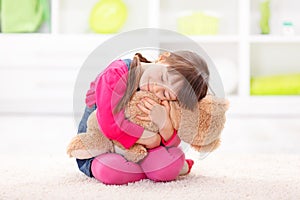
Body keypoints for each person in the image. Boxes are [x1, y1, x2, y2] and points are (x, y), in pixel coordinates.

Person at [76, 51, 210, 185]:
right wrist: (149, 139)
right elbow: (109, 124)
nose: (157, 89)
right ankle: (153, 171)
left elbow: (172, 142)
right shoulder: (116, 73)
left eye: (165, 93)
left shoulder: (167, 100)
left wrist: (165, 124)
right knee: (110, 170)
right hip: (102, 149)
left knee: (164, 168)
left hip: (140, 152)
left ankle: (154, 170)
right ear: (163, 58)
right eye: (163, 78)